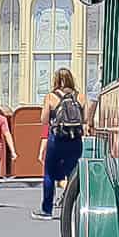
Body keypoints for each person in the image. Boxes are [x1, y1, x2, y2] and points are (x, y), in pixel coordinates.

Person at [33, 69, 84, 222]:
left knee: (49, 173)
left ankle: (47, 210)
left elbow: (43, 120)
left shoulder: (51, 96)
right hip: (75, 139)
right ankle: (76, 207)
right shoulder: (80, 97)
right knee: (73, 174)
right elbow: (86, 119)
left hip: (57, 139)